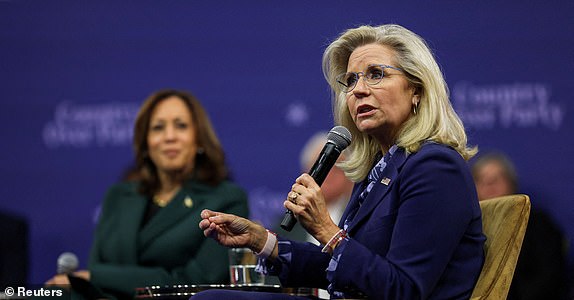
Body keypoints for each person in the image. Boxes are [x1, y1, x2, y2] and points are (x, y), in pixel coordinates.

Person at [196, 24, 485, 299]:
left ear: (417, 90)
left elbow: (404, 289)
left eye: (376, 74)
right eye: (350, 80)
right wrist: (262, 241)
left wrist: (326, 230)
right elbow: (341, 269)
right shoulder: (379, 169)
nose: (358, 89)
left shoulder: (435, 168)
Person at [45, 89, 249, 299]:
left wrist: (95, 276)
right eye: (158, 128)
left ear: (198, 139)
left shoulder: (226, 200)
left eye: (181, 126)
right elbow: (97, 272)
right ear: (145, 143)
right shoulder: (118, 196)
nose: (169, 137)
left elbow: (195, 282)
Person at [472, 152, 568, 300]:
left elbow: (549, 275)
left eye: (497, 178)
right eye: (481, 179)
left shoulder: (538, 223)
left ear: (511, 183)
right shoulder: (468, 227)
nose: (489, 184)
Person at [282, 131, 354, 245]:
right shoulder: (287, 222)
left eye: (336, 168)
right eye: (320, 166)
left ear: (349, 176)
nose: (327, 174)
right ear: (305, 173)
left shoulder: (356, 217)